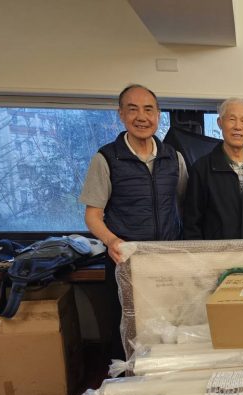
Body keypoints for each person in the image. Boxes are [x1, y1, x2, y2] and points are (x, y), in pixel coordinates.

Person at [80, 84, 188, 359]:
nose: (142, 117)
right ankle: (128, 378)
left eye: (148, 110)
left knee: (169, 327)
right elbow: (93, 215)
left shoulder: (173, 158)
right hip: (126, 261)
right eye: (133, 109)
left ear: (158, 115)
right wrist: (112, 241)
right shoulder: (106, 158)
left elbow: (185, 206)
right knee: (128, 329)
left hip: (166, 261)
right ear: (121, 114)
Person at [184, 98, 243, 239]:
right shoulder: (202, 170)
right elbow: (191, 225)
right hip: (215, 253)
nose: (238, 127)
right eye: (232, 119)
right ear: (220, 123)